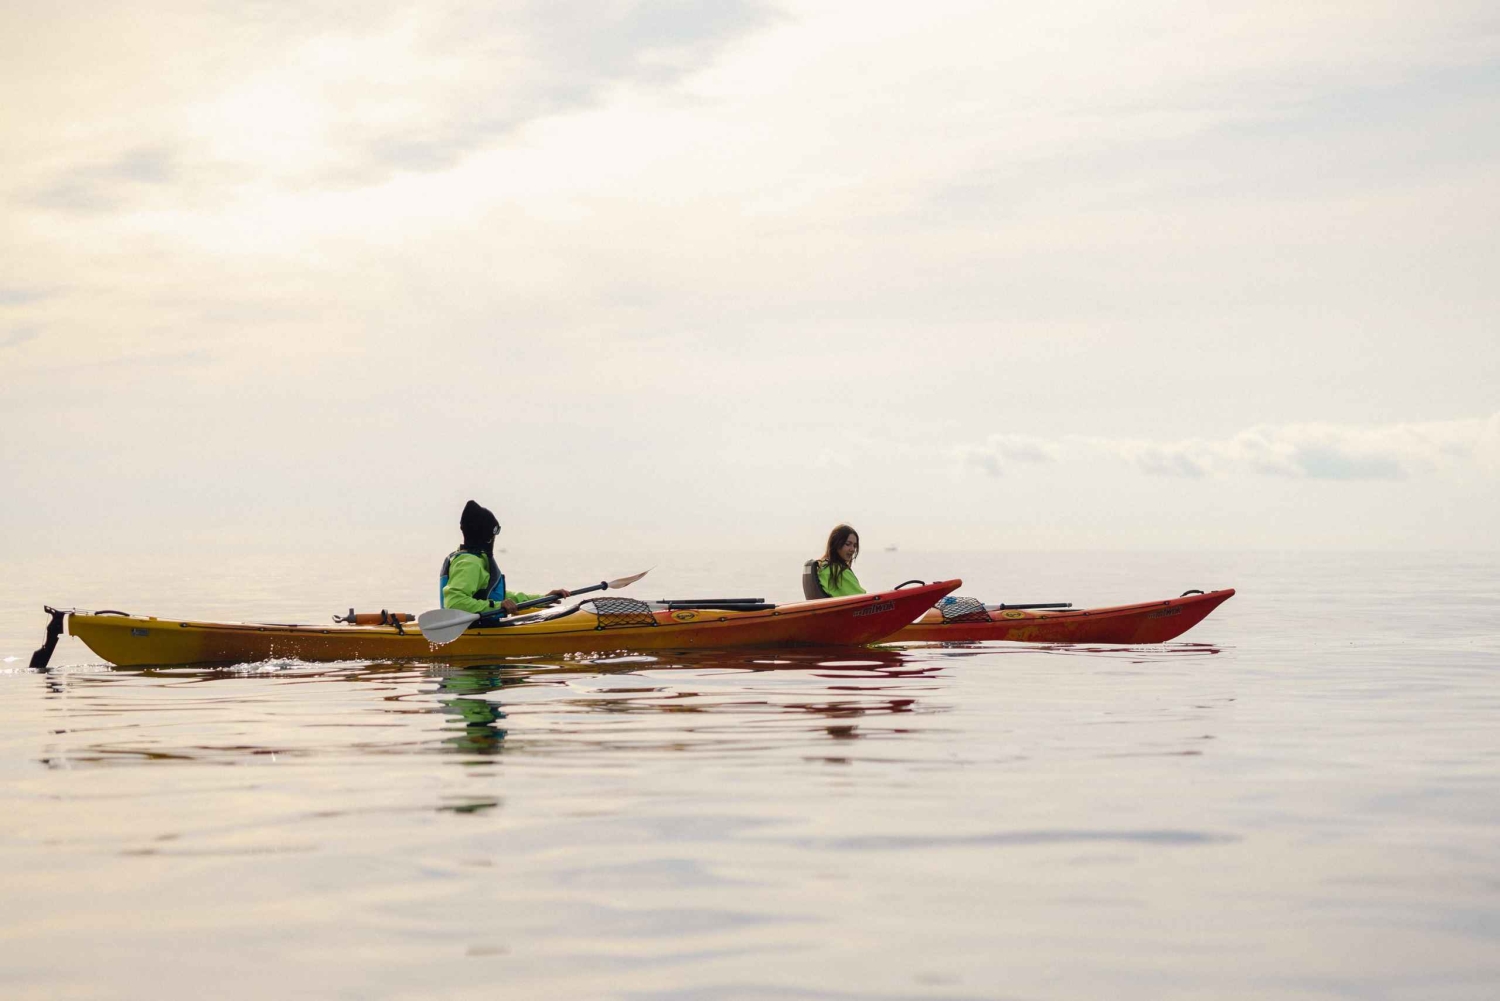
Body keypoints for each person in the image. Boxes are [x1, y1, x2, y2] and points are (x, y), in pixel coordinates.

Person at [440, 500, 568, 620]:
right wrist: (497, 606)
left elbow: (498, 597)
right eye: (494, 534)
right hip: (474, 631)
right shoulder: (470, 563)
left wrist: (543, 599)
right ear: (487, 537)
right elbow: (454, 603)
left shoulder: (474, 560)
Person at [815, 523, 865, 597]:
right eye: (848, 544)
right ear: (836, 544)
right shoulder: (839, 571)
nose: (852, 549)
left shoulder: (821, 567)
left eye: (854, 545)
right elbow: (862, 598)